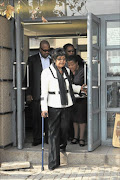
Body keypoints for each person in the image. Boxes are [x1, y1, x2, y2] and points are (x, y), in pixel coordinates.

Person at [41, 48, 87, 170]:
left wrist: (79, 89)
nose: (62, 61)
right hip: (53, 105)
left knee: (65, 129)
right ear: (54, 60)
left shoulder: (66, 70)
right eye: (59, 59)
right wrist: (43, 108)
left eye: (63, 59)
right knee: (53, 134)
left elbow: (69, 86)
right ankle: (53, 162)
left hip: (66, 105)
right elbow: (43, 92)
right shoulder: (46, 72)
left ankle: (61, 146)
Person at [25, 40, 52, 146]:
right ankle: (37, 138)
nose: (46, 52)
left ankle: (48, 138)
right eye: (44, 50)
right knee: (36, 118)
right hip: (37, 92)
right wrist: (28, 93)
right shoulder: (32, 60)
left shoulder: (52, 60)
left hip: (50, 93)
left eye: (48, 50)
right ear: (40, 49)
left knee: (49, 118)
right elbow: (28, 77)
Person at [67, 55, 87, 146]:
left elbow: (85, 85)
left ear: (76, 64)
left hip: (82, 98)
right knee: (74, 118)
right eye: (69, 65)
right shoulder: (67, 72)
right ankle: (75, 137)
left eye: (72, 65)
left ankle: (82, 138)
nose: (70, 67)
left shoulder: (83, 71)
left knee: (81, 119)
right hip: (72, 98)